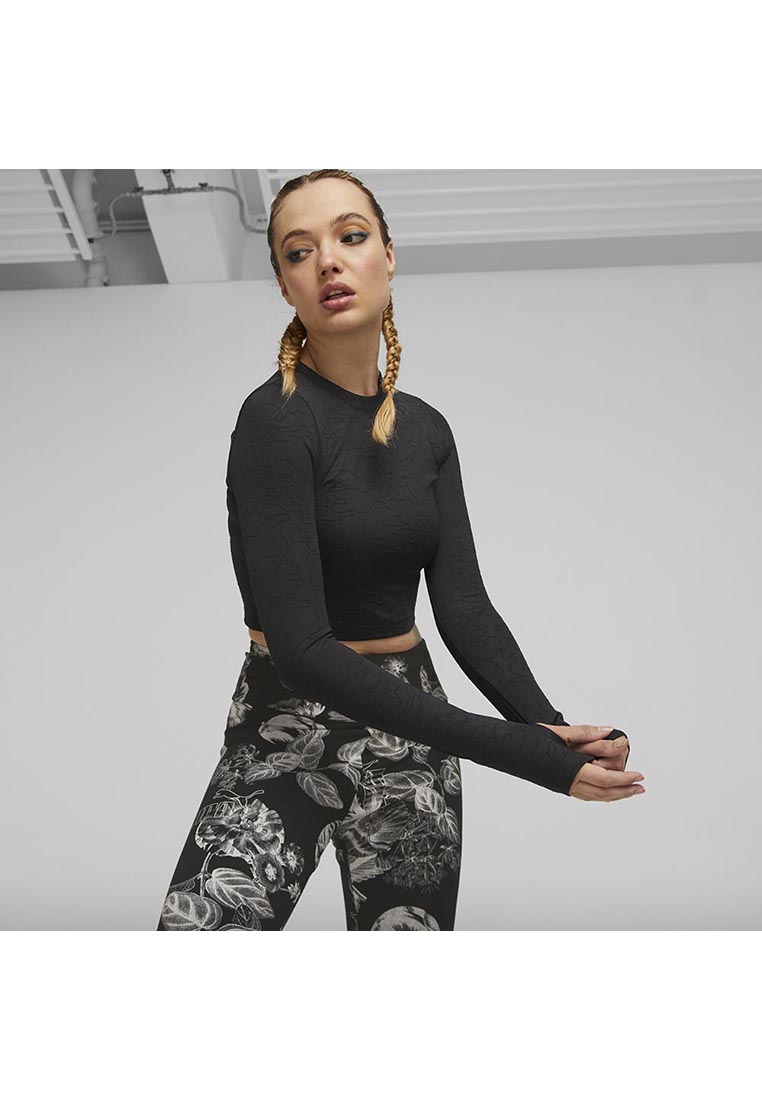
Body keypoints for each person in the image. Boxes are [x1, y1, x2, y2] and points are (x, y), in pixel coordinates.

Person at [156, 169, 644, 932]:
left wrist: (548, 728)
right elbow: (304, 652)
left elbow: (463, 606)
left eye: (351, 237)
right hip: (287, 720)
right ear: (285, 286)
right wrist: (520, 753)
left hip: (411, 722)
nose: (327, 261)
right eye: (298, 252)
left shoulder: (426, 429)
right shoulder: (276, 421)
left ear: (388, 256)